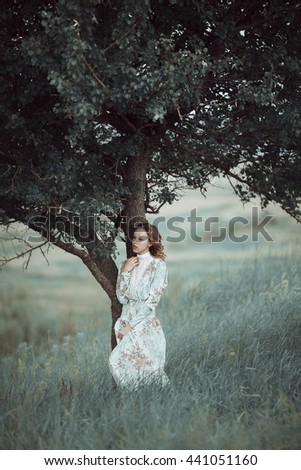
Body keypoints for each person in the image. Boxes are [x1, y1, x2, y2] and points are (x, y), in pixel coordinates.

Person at [109, 221, 169, 390]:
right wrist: (126, 272)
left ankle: (158, 399)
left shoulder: (158, 266)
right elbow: (121, 298)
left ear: (150, 242)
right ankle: (134, 399)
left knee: (149, 368)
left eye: (141, 239)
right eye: (134, 238)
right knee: (122, 364)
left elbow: (151, 302)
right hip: (124, 320)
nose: (135, 242)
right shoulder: (126, 264)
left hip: (144, 323)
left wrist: (130, 326)